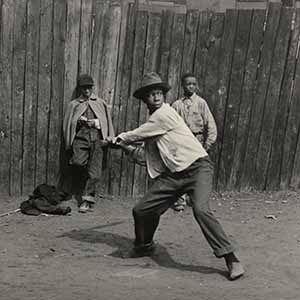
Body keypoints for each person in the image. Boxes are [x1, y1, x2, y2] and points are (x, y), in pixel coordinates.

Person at [107, 72, 244, 280]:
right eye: (151, 94)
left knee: (200, 209)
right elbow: (145, 155)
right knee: (142, 210)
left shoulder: (165, 114)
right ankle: (144, 246)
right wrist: (122, 147)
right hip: (174, 175)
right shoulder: (154, 123)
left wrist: (118, 138)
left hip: (198, 168)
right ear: (145, 99)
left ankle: (232, 259)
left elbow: (137, 134)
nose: (156, 97)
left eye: (159, 93)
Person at [62, 74, 115, 213]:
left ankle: (87, 200)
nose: (86, 91)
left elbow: (106, 122)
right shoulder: (74, 104)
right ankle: (74, 187)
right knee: (78, 162)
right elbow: (68, 124)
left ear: (92, 88)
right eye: (84, 88)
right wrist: (78, 121)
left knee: (95, 173)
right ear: (80, 89)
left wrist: (97, 123)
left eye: (89, 88)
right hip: (80, 138)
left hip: (97, 138)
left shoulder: (100, 102)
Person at [171, 73, 217, 211]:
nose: (191, 86)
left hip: (197, 140)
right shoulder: (177, 105)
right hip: (182, 141)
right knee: (181, 169)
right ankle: (180, 200)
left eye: (193, 84)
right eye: (188, 84)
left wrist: (207, 144)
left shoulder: (201, 103)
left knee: (197, 169)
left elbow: (211, 125)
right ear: (183, 86)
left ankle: (195, 198)